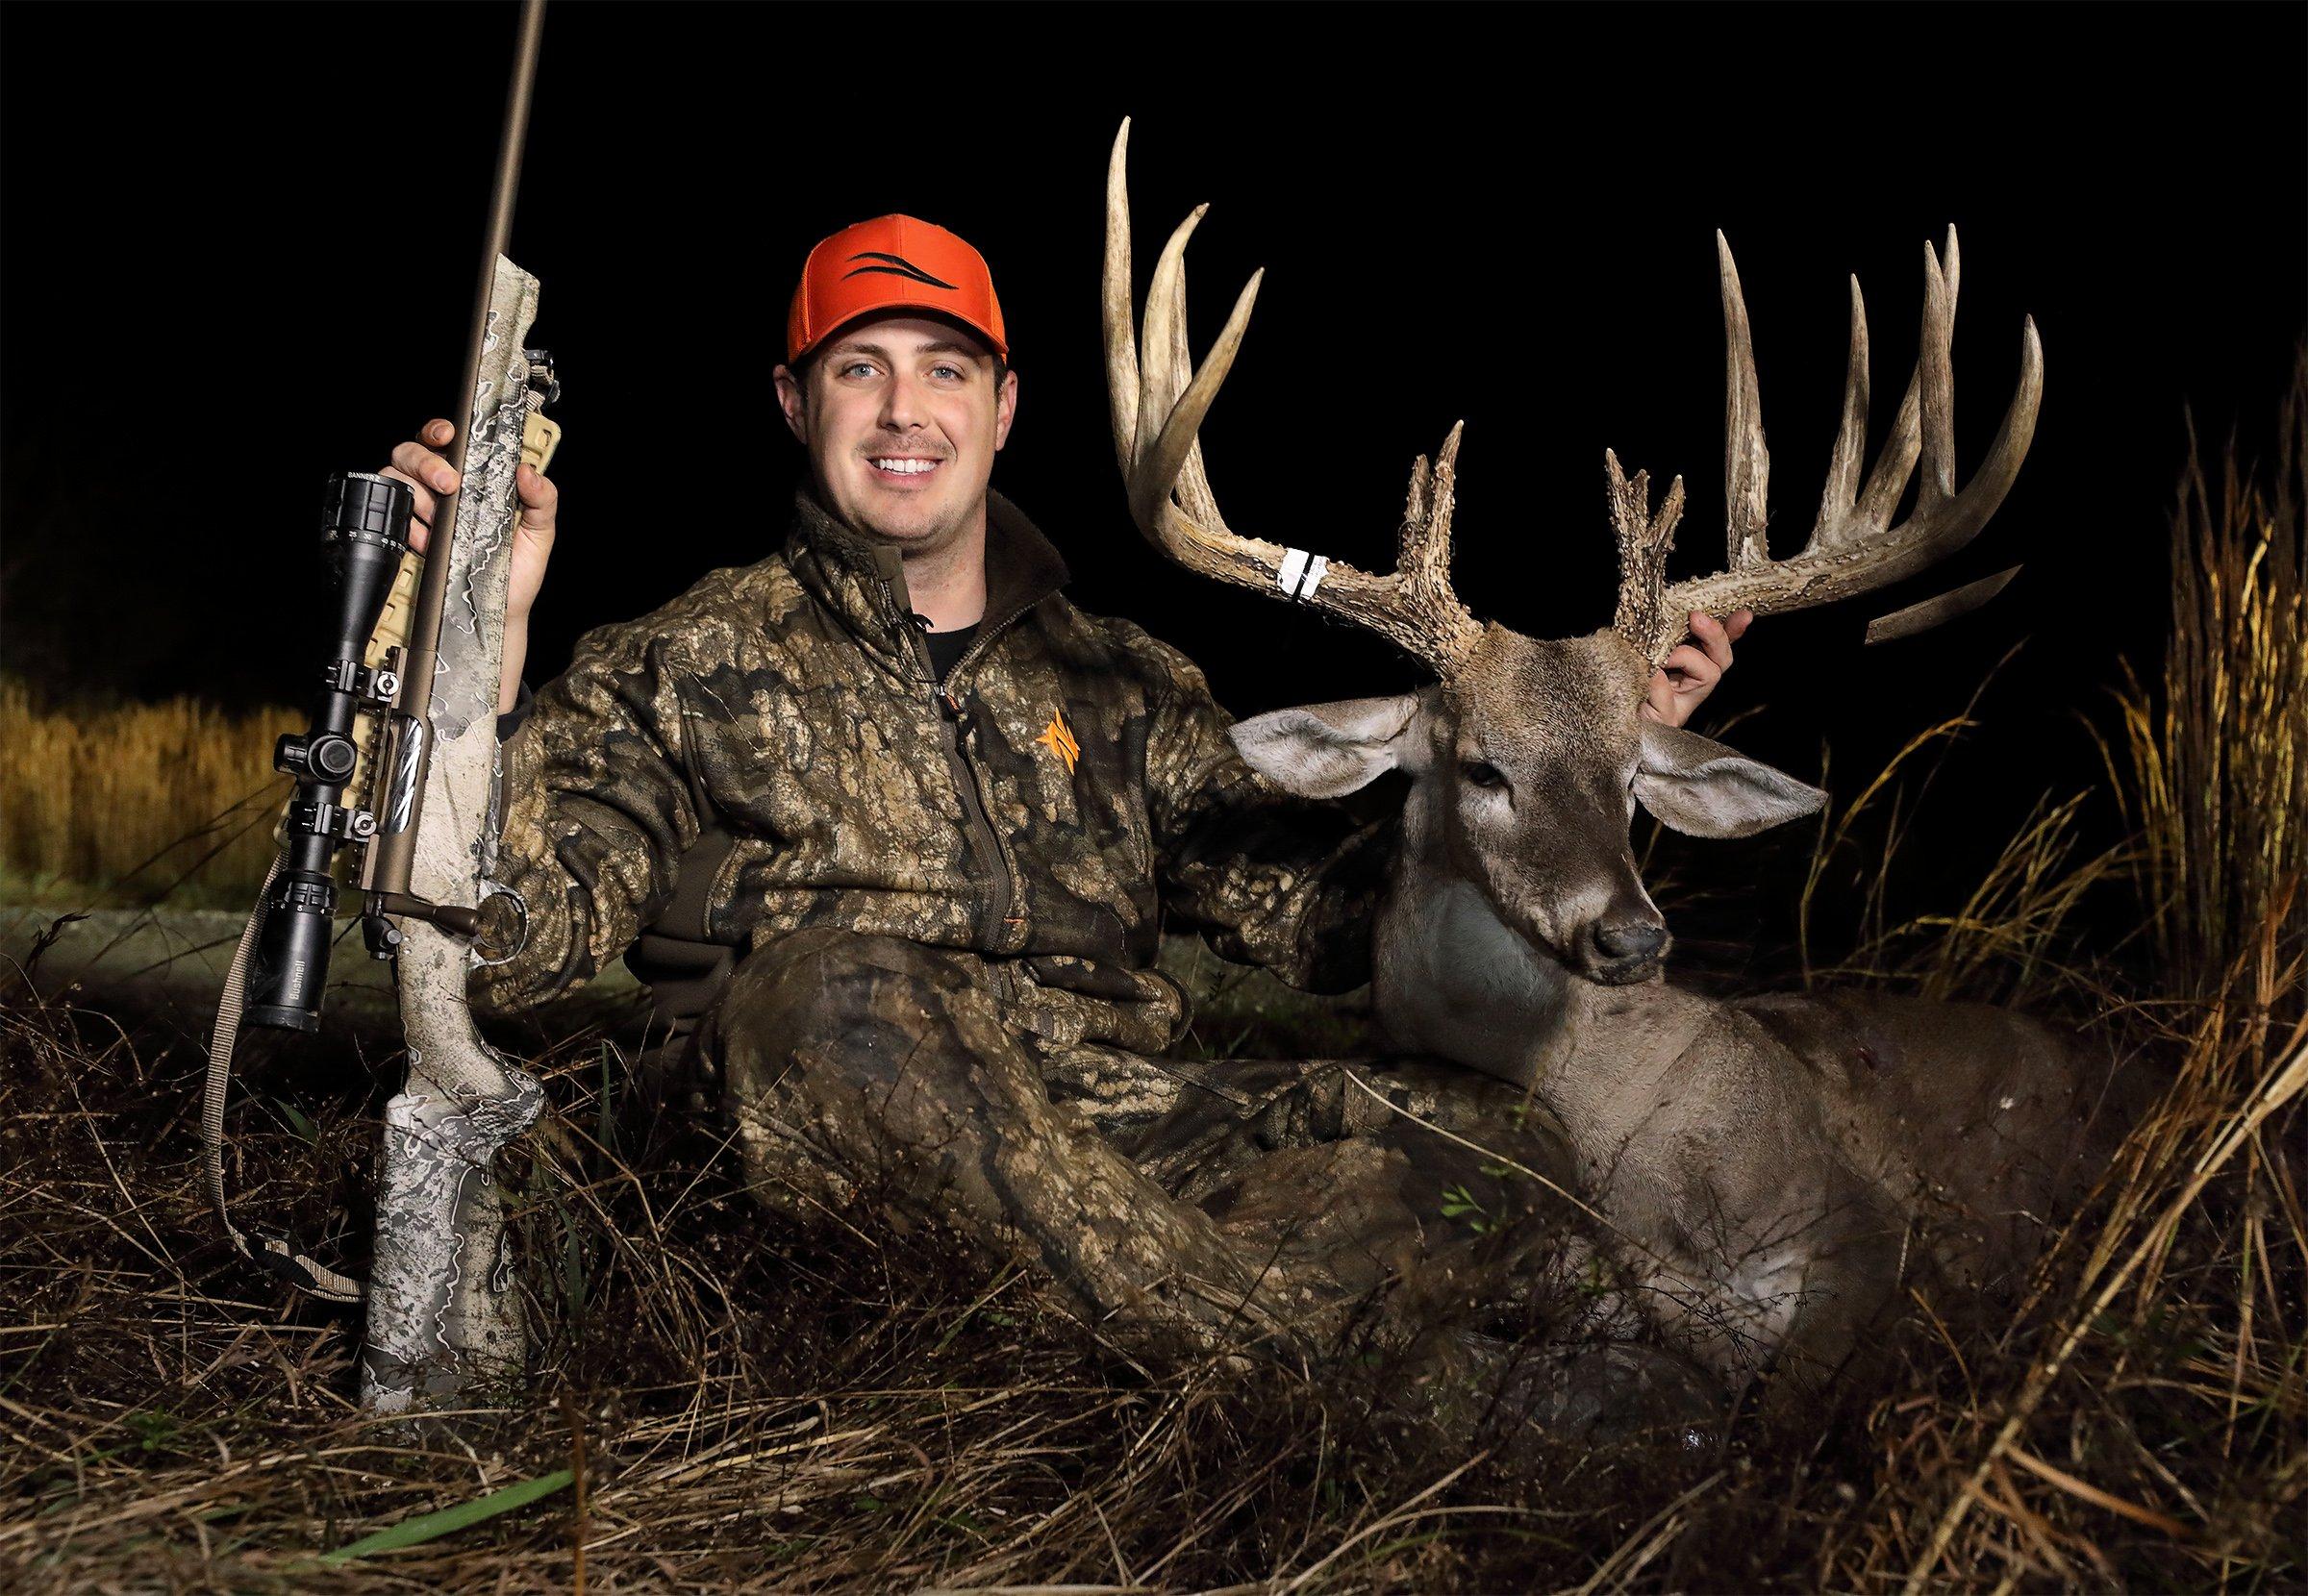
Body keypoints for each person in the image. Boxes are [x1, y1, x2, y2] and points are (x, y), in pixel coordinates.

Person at [379, 212, 1751, 1372]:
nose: (906, 409)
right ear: (796, 406)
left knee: (1491, 1139)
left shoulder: (1126, 684)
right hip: (810, 1139)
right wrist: (479, 654)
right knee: (844, 994)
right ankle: (1283, 1378)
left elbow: (1337, 924)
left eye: (946, 370)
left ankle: (1135, 1336)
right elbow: (504, 949)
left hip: (1104, 1137)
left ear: (1006, 405)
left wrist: (1571, 765)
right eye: (859, 370)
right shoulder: (677, 665)